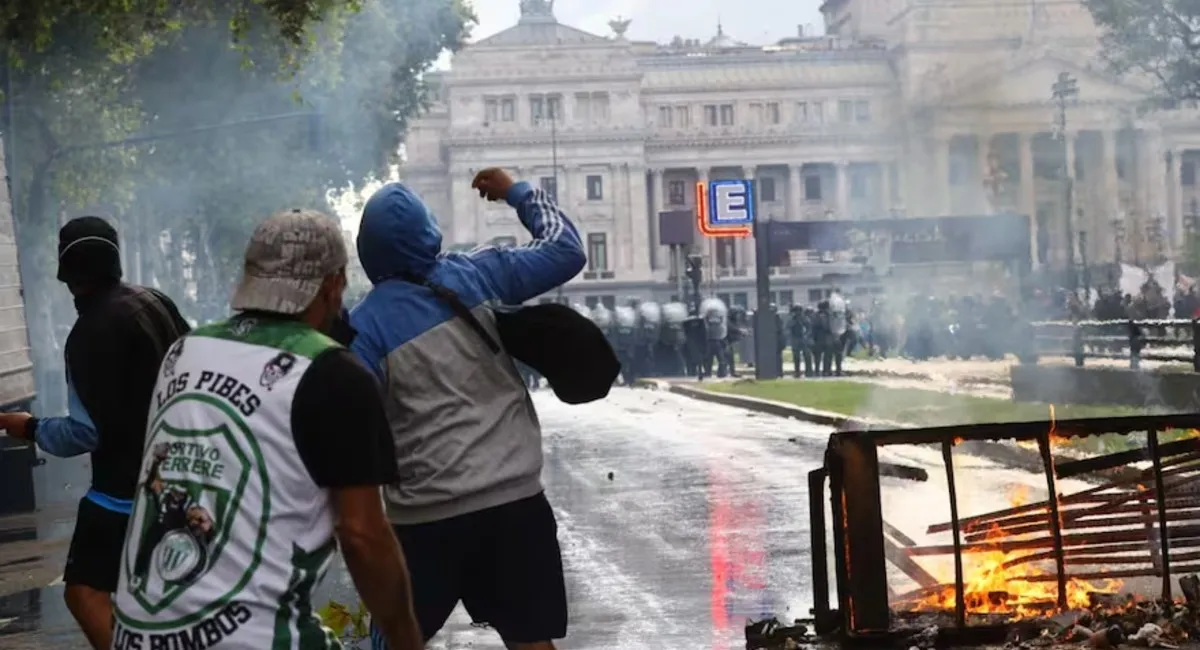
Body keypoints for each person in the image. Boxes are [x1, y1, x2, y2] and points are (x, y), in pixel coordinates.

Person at [109, 209, 423, 650]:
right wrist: (406, 638)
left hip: (137, 638)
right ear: (334, 285)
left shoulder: (184, 352)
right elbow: (362, 536)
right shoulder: (333, 373)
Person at [351, 168, 585, 650]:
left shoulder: (364, 328)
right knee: (531, 642)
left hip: (423, 524)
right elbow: (565, 248)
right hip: (514, 505)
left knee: (396, 641)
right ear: (429, 232)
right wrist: (517, 192)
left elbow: (357, 425)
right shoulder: (482, 273)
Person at [0, 216, 189, 650]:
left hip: (123, 491)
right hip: (184, 474)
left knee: (84, 593)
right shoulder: (154, 301)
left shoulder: (88, 336)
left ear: (66, 272)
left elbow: (83, 434)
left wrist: (26, 427)